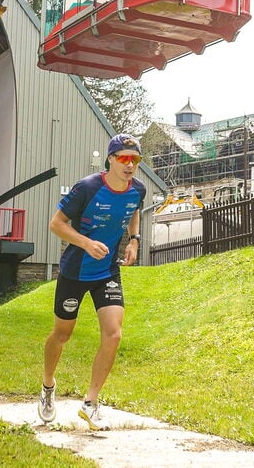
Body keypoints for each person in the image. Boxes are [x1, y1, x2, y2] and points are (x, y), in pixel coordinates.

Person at [38, 134, 146, 431]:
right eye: (123, 158)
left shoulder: (138, 188)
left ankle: (91, 402)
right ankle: (48, 386)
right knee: (62, 334)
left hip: (108, 271)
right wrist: (86, 243)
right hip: (76, 270)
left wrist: (134, 240)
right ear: (111, 159)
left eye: (134, 160)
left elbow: (135, 208)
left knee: (113, 334)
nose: (129, 165)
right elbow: (55, 224)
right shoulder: (88, 188)